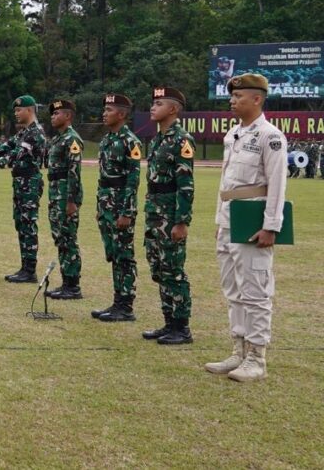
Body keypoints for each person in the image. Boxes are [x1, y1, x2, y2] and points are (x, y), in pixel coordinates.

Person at [205, 73, 287, 382]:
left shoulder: (270, 136)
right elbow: (226, 183)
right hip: (230, 218)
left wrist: (271, 226)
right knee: (233, 290)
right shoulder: (234, 134)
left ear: (257, 99)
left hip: (253, 220)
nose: (232, 100)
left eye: (238, 96)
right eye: (232, 96)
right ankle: (238, 351)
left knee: (255, 291)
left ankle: (256, 357)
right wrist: (219, 221)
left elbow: (277, 184)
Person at [141, 87, 195, 344]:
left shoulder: (181, 140)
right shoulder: (157, 140)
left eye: (159, 103)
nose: (153, 107)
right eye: (153, 103)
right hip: (155, 212)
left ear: (173, 109)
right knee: (159, 268)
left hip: (170, 215)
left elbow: (186, 185)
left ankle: (181, 327)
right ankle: (168, 322)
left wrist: (181, 221)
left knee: (173, 269)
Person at [0, 95, 47, 283]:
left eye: (18, 110)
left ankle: (30, 270)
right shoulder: (24, 132)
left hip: (30, 183)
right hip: (20, 183)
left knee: (28, 225)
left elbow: (17, 154)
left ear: (29, 110)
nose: (16, 113)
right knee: (21, 224)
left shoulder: (35, 132)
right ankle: (25, 268)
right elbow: (5, 146)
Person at [92, 93, 142, 322]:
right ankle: (117, 301)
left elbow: (133, 180)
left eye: (109, 110)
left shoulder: (130, 141)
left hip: (121, 205)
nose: (104, 114)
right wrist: (100, 207)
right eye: (104, 109)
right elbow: (103, 177)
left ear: (121, 114)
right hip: (107, 204)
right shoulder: (107, 140)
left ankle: (126, 305)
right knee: (113, 253)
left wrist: (127, 212)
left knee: (124, 255)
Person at [44, 99, 84, 300]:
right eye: (52, 114)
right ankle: (66, 282)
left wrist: (71, 201)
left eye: (57, 113)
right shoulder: (58, 139)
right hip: (55, 194)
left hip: (65, 196)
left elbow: (74, 172)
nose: (53, 117)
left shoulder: (72, 139)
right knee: (61, 238)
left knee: (68, 239)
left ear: (68, 116)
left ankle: (73, 286)